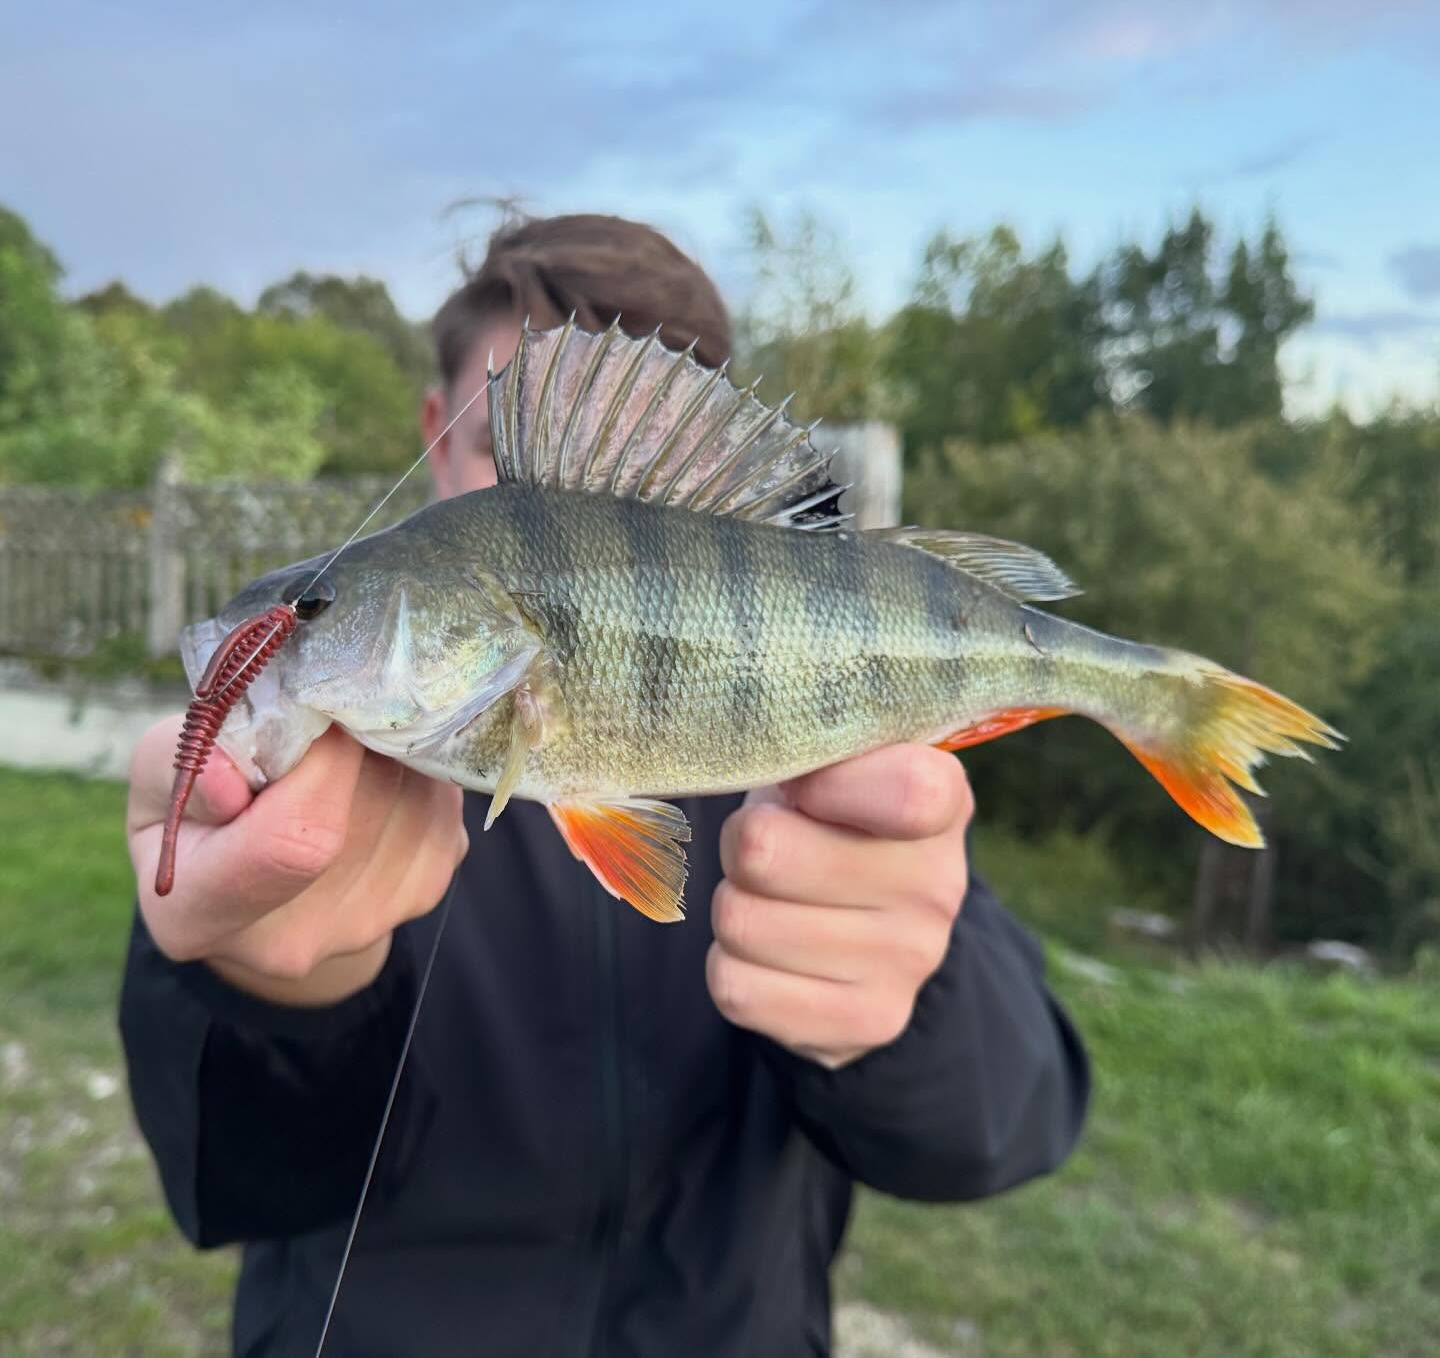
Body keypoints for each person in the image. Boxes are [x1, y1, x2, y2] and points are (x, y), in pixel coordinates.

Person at [120, 213, 1090, 1358]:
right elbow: (226, 1184)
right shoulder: (316, 779)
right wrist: (264, 986)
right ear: (438, 436)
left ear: (735, 478)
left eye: (650, 465)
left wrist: (912, 997)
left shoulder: (833, 790)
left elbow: (1008, 1126)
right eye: (522, 451)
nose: (586, 518)